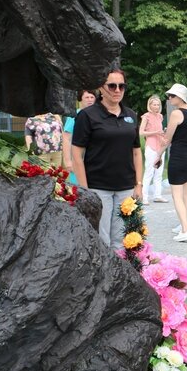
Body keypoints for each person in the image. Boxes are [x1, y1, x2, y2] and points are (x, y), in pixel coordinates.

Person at [72, 69, 143, 250]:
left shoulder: (131, 115)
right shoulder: (87, 116)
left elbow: (136, 152)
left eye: (121, 86)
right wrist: (85, 190)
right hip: (98, 187)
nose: (117, 90)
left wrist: (139, 185)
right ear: (101, 88)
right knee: (101, 240)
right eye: (112, 86)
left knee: (122, 241)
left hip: (125, 187)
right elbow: (77, 154)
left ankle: (119, 268)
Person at [161, 83, 187, 242]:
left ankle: (185, 230)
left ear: (180, 97)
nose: (169, 98)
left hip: (178, 155)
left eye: (172, 95)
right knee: (185, 193)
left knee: (176, 195)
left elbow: (167, 139)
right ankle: (184, 223)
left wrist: (157, 156)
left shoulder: (176, 113)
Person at [63, 89, 97, 185]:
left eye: (92, 97)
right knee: (79, 189)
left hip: (94, 160)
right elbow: (66, 138)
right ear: (80, 99)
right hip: (78, 159)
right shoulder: (74, 115)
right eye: (87, 97)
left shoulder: (98, 116)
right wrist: (68, 161)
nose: (90, 100)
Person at [139, 94, 168, 203]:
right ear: (150, 105)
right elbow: (141, 132)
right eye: (154, 104)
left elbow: (160, 131)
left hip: (160, 146)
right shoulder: (146, 116)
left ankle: (157, 195)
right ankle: (144, 197)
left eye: (158, 105)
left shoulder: (160, 116)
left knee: (159, 172)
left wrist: (163, 135)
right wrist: (155, 132)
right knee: (149, 172)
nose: (156, 106)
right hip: (151, 146)